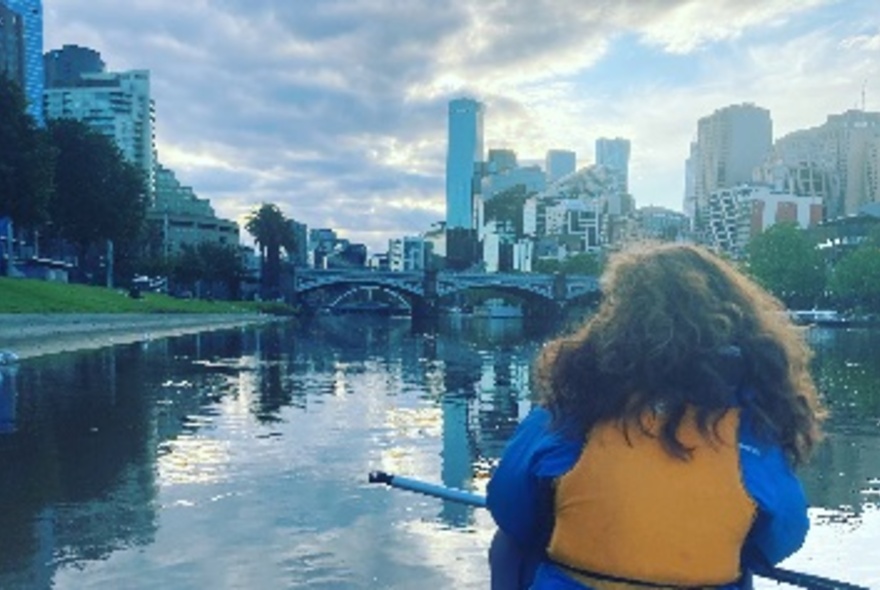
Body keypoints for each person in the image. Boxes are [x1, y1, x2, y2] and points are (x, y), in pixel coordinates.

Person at [486, 242, 825, 590]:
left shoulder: (574, 410)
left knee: (510, 544)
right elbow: (784, 535)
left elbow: (508, 503)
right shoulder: (750, 429)